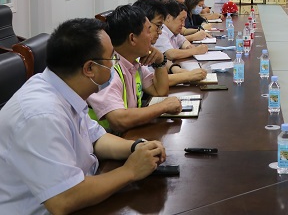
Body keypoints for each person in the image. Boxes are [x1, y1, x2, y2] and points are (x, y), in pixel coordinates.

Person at [0, 18, 167, 214]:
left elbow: (97, 138)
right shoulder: (41, 114)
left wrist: (137, 147)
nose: (114, 65)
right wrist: (130, 171)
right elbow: (64, 199)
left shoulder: (64, 88)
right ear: (89, 69)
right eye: (112, 59)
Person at [87, 5, 182, 133]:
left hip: (128, 134)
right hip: (107, 141)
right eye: (148, 31)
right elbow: (118, 120)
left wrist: (160, 61)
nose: (153, 36)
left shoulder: (132, 62)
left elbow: (159, 91)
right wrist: (164, 106)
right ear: (132, 38)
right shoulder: (108, 69)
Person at [133, 0, 208, 86]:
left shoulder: (146, 49)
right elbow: (155, 82)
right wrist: (187, 76)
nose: (160, 31)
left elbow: (157, 87)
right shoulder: (130, 58)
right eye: (158, 26)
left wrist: (175, 68)